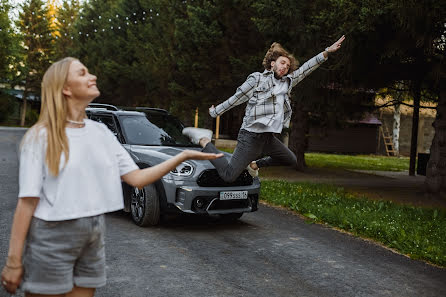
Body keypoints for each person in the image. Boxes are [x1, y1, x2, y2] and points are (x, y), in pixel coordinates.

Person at [1, 57, 222, 296]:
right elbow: (27, 202)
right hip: (52, 236)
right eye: (82, 73)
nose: (92, 76)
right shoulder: (40, 136)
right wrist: (14, 261)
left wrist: (182, 156)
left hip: (92, 233)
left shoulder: (100, 133)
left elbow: (136, 178)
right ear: (65, 88)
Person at [183, 36, 345, 182]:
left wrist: (326, 52)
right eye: (282, 63)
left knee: (291, 159)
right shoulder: (257, 79)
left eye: (288, 66)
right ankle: (204, 141)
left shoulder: (287, 82)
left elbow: (305, 70)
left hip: (268, 139)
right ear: (272, 63)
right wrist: (215, 111)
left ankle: (254, 165)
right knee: (228, 175)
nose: (285, 67)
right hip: (250, 138)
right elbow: (236, 98)